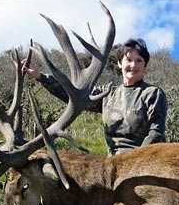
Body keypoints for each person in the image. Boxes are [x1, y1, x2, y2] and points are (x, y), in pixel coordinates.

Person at [23, 38, 168, 156]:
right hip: (112, 163)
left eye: (139, 61)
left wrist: (137, 159)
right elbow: (74, 95)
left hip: (143, 160)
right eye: (128, 60)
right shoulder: (108, 94)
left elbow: (156, 133)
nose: (133, 65)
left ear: (145, 65)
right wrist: (40, 76)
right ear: (119, 63)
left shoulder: (152, 93)